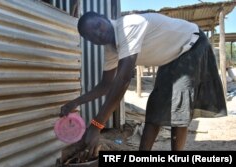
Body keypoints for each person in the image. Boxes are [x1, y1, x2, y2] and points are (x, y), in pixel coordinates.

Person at [59, 11, 227, 161]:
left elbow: (123, 79)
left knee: (178, 108)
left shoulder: (128, 26)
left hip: (191, 44)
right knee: (155, 108)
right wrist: (76, 102)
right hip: (171, 57)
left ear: (105, 19)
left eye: (98, 26)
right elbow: (106, 85)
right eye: (92, 36)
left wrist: (96, 126)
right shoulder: (111, 49)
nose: (98, 34)